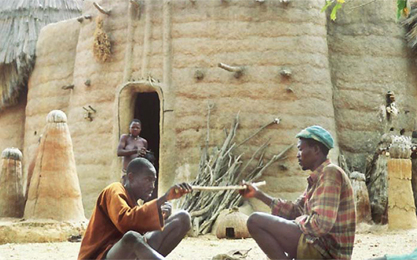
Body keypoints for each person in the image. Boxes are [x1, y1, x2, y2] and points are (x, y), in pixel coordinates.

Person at [240, 125, 356, 260]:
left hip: (327, 253)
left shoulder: (330, 173)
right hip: (318, 247)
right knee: (266, 225)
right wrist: (258, 194)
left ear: (316, 150)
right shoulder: (317, 179)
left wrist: (295, 222)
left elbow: (321, 225)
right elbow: (295, 210)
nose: (297, 154)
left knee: (255, 221)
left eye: (301, 149)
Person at [78, 158, 192, 260]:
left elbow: (142, 235)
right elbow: (125, 222)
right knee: (131, 238)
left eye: (154, 181)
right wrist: (163, 199)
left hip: (125, 255)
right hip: (100, 256)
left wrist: (161, 216)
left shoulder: (135, 204)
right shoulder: (114, 189)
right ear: (131, 177)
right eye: (148, 179)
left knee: (182, 218)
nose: (152, 186)